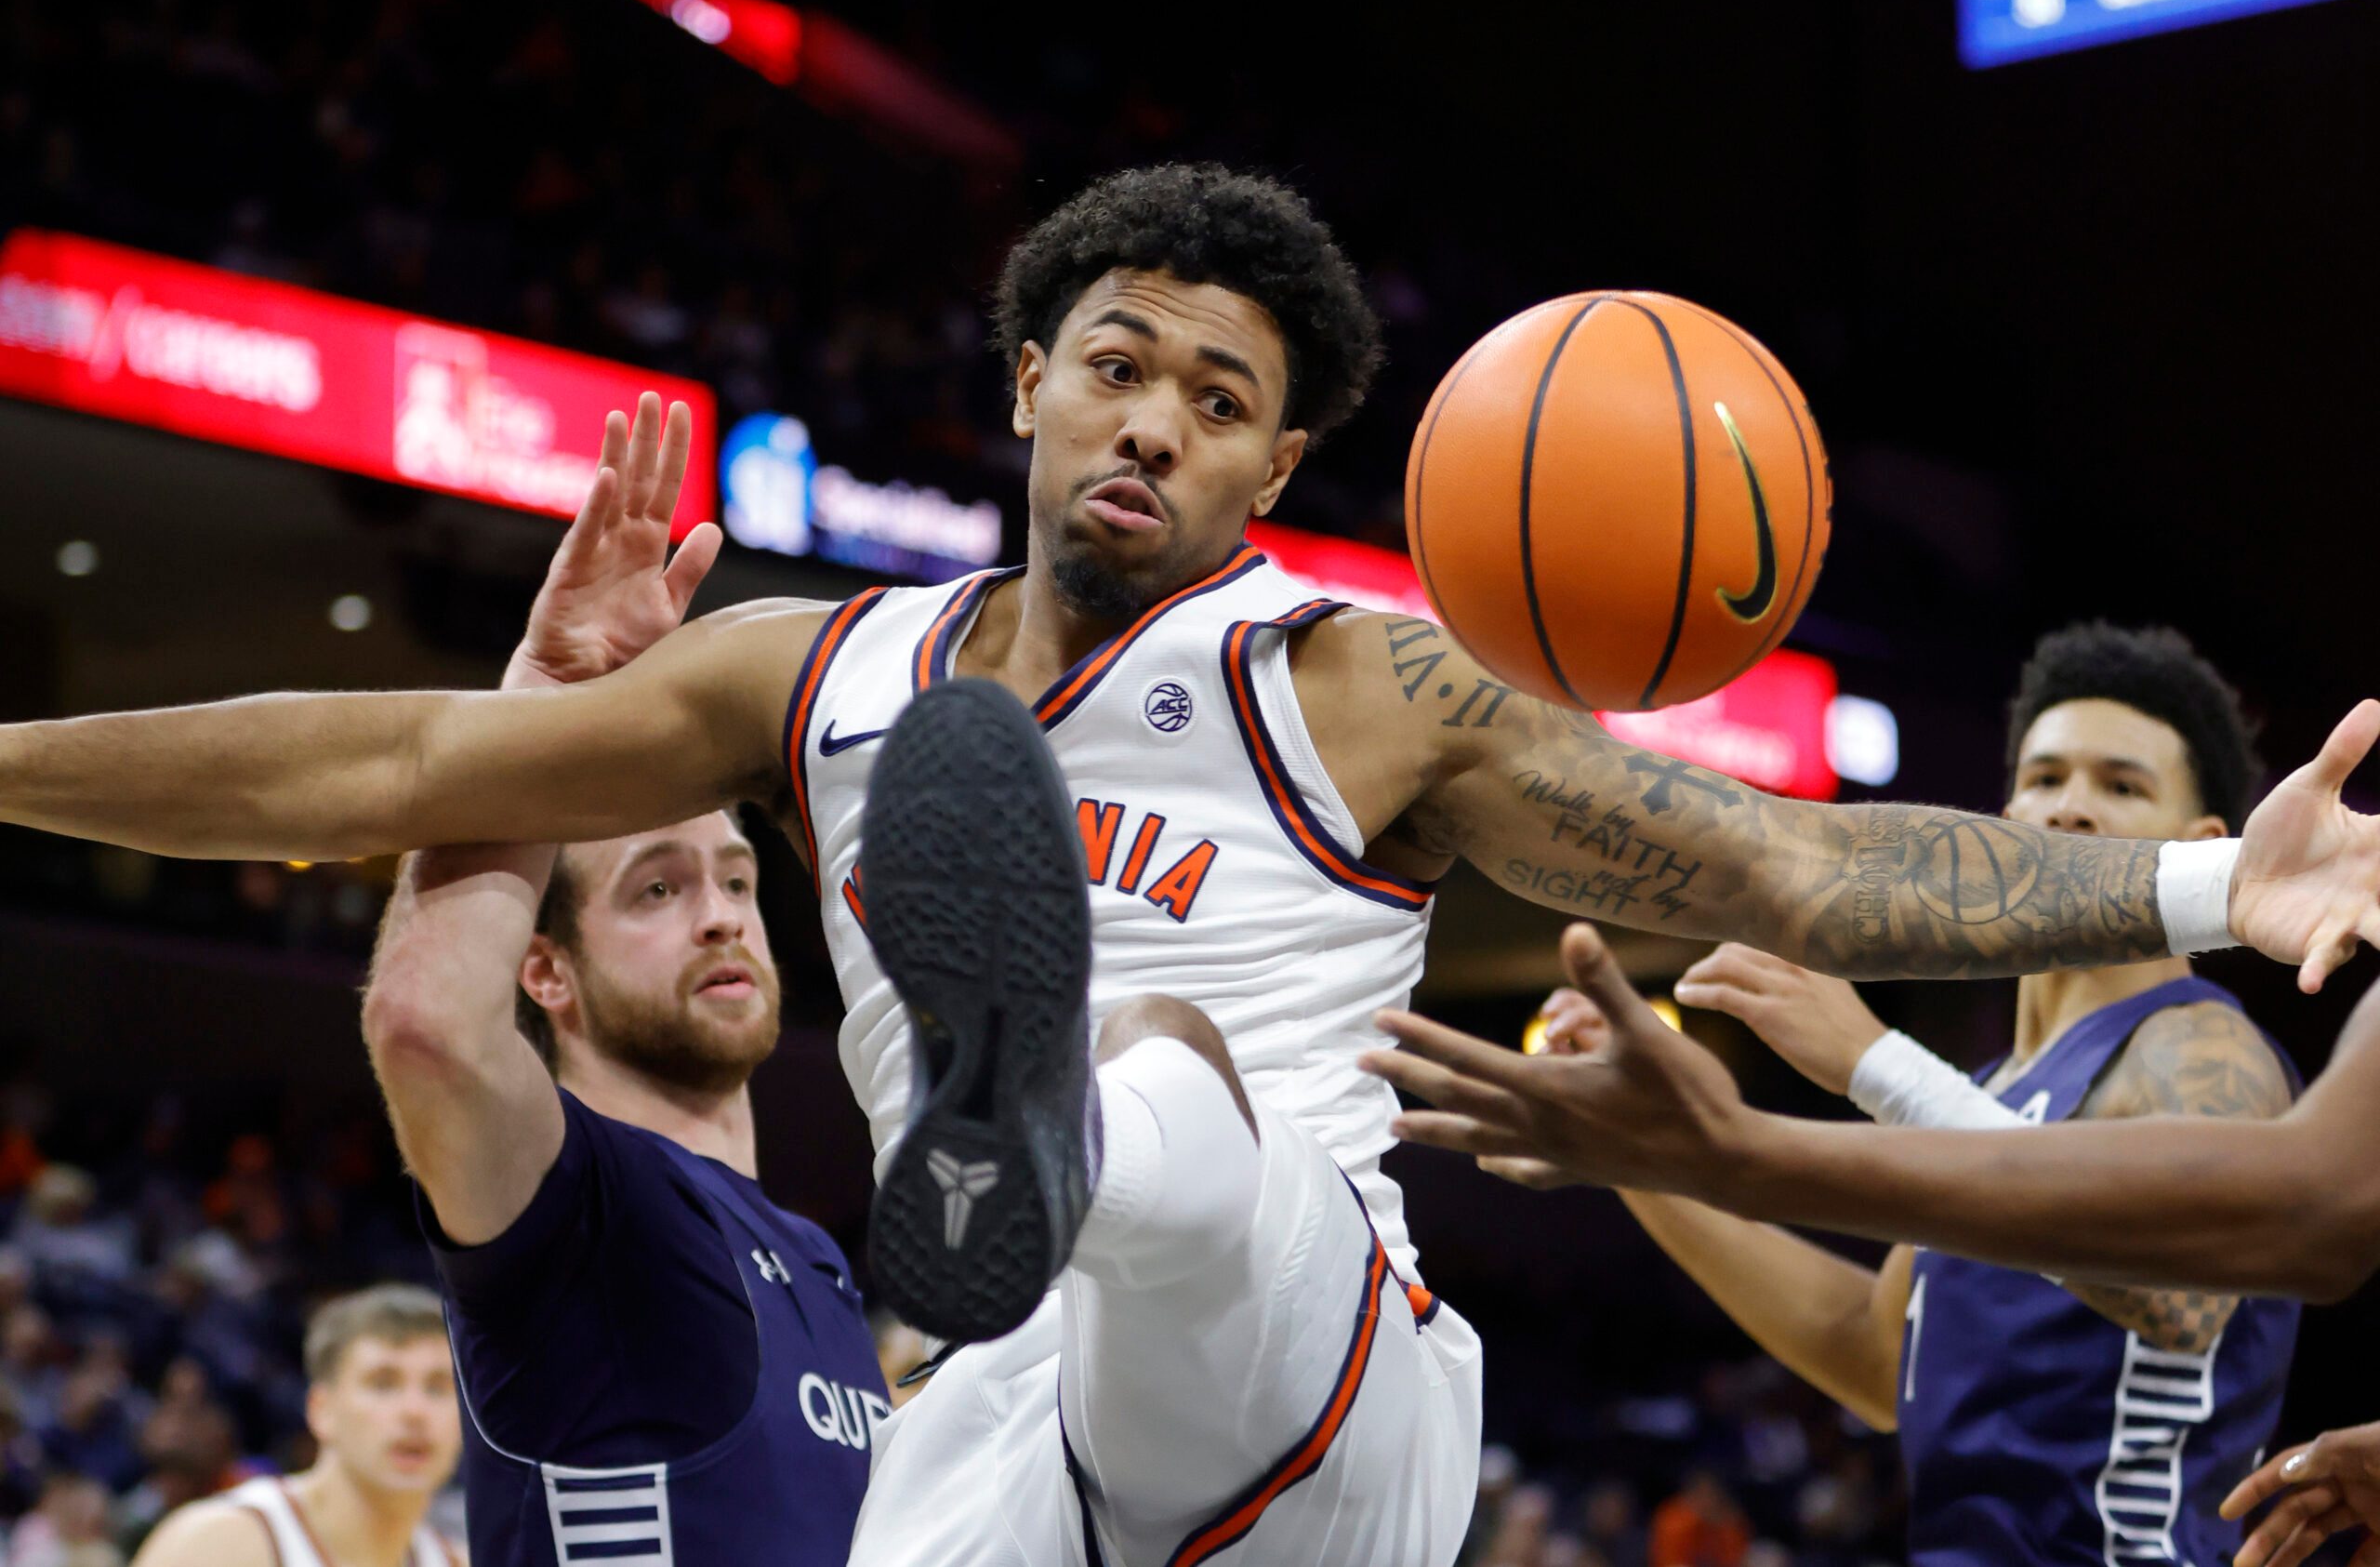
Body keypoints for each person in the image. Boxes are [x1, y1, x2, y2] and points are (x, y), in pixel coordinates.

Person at [7, 164, 2380, 1563]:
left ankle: (1045, 1102)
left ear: (1273, 468)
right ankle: (1019, 1130)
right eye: (1118, 361)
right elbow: (395, 745)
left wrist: (2206, 896)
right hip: (1009, 1394)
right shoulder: (814, 671)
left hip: (1311, 1356)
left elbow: (1784, 866)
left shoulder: (1354, 681)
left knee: (1156, 1056)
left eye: (1219, 399)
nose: (1153, 416)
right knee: (1026, 1274)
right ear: (1028, 374)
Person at [1555, 623, 2301, 1566]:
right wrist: (1637, 1155)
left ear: (2203, 851)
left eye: (2120, 785)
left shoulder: (2199, 1045)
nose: (2068, 809)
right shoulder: (1983, 1096)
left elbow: (2179, 1292)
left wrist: (1876, 1064)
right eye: (2043, 778)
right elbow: (1872, 1358)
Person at [358, 399, 883, 1564]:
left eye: (737, 883)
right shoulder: (579, 1203)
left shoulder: (818, 1256)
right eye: (657, 890)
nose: (718, 919)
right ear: (543, 970)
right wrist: (540, 700)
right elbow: (425, 1028)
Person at [128, 1283, 460, 1567]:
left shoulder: (458, 1560)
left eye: (438, 1387)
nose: (415, 1411)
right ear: (321, 1410)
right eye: (383, 1383)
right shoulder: (219, 1543)